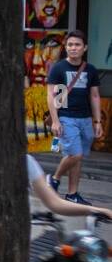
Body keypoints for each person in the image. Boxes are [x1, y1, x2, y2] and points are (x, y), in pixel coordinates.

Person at [46, 29, 103, 206]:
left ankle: (72, 194)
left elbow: (94, 96)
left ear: (84, 48)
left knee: (78, 158)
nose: (73, 48)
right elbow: (52, 96)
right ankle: (53, 179)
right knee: (75, 153)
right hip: (66, 116)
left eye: (77, 45)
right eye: (70, 44)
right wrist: (55, 120)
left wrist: (97, 121)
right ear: (66, 47)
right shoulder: (59, 68)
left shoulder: (90, 70)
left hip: (85, 118)